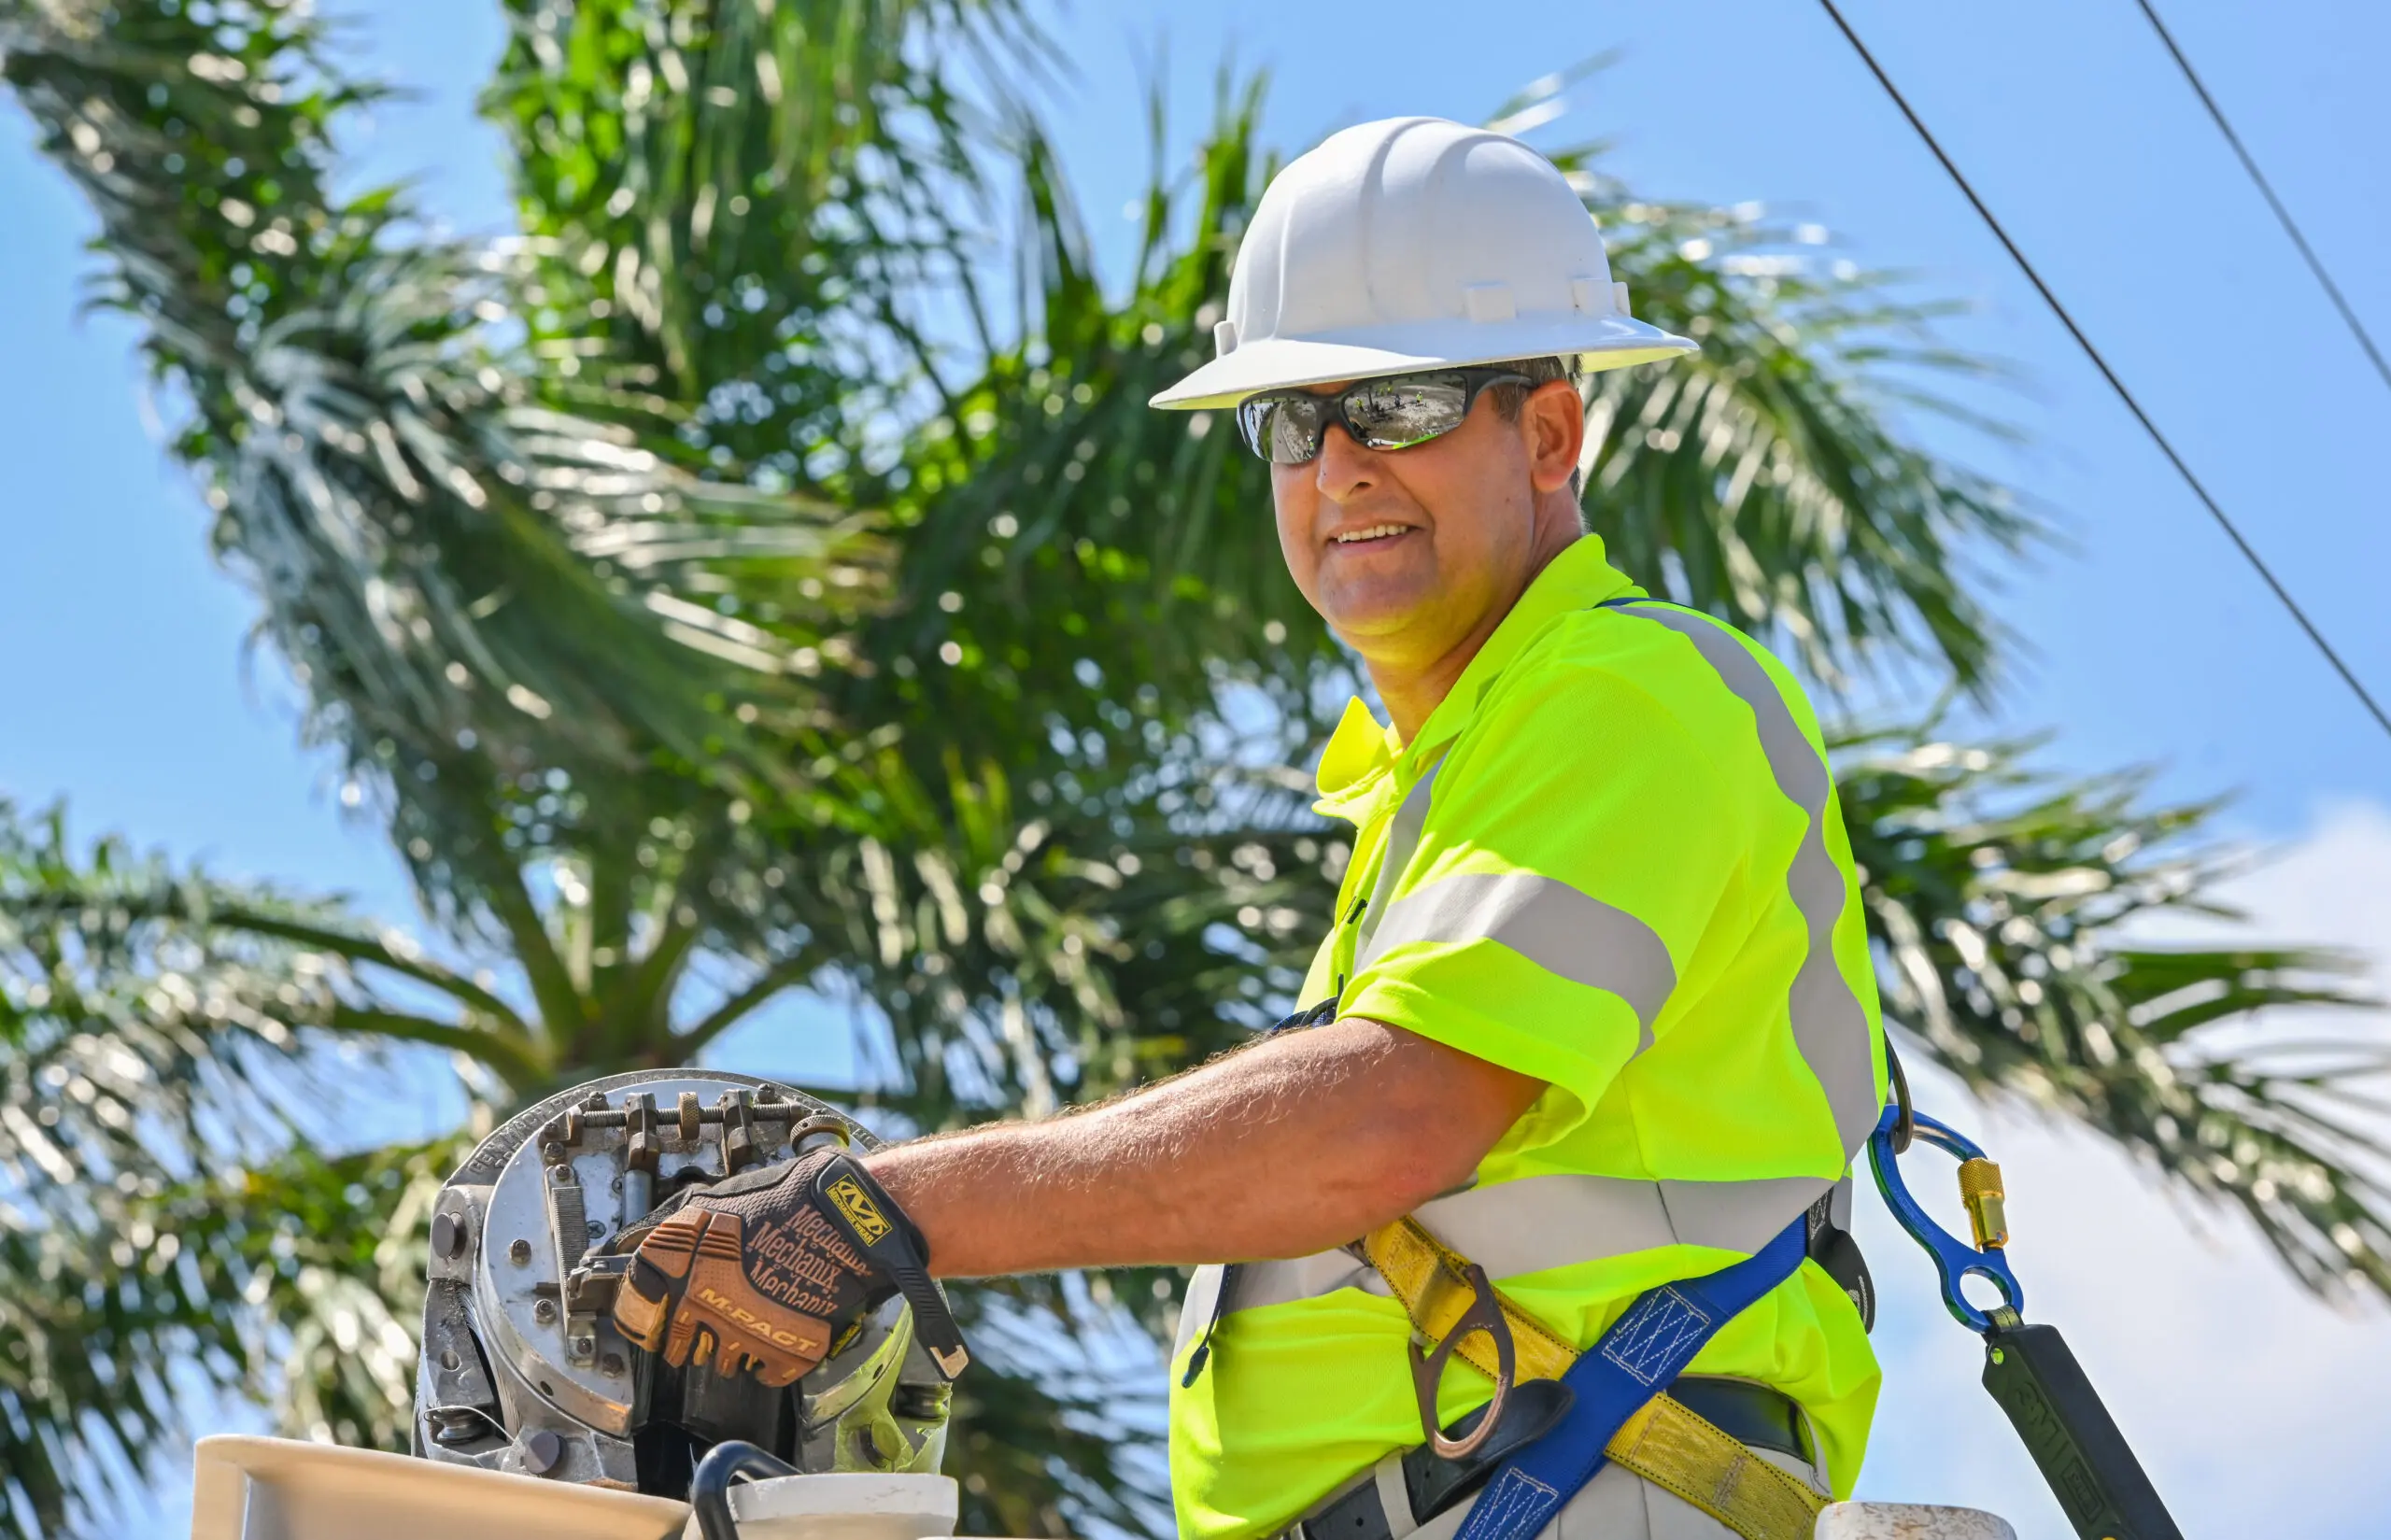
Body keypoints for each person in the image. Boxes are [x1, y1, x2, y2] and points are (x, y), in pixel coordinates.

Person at [611, 116, 1889, 1540]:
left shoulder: (1636, 694)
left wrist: (887, 1211)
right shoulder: (1444, 779)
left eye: (1398, 405)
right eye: (1291, 419)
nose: (1338, 464)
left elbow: (1384, 1121)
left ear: (1549, 432)